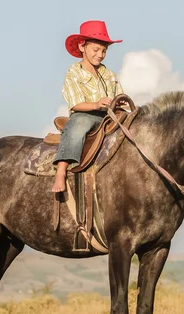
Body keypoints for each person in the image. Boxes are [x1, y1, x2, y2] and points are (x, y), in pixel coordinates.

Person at [52, 20, 125, 192]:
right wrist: (97, 104)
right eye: (96, 50)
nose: (100, 55)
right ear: (82, 46)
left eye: (104, 51)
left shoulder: (109, 74)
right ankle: (61, 170)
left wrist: (120, 104)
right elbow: (76, 104)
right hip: (85, 114)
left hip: (109, 116)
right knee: (78, 126)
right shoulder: (74, 72)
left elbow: (119, 96)